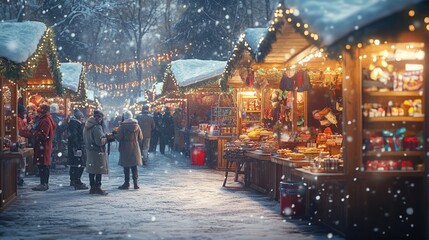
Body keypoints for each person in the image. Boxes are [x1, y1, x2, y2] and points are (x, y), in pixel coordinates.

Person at [29, 103, 56, 191]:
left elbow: (44, 135)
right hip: (45, 146)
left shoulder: (45, 120)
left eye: (39, 110)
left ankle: (43, 183)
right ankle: (44, 183)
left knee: (43, 165)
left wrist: (33, 132)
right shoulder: (47, 118)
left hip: (43, 146)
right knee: (44, 165)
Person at [83, 110, 108, 195]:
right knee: (98, 169)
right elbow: (99, 141)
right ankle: (98, 187)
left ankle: (92, 187)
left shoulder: (87, 125)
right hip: (97, 151)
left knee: (91, 170)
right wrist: (106, 139)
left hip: (90, 150)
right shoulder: (97, 127)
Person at [116, 111, 143, 189]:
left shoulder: (122, 126)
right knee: (134, 166)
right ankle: (135, 183)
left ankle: (126, 183)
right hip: (135, 147)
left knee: (126, 166)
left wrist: (115, 134)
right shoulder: (137, 125)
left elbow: (119, 137)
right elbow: (141, 137)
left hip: (125, 147)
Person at [67, 109, 88, 190]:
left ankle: (73, 180)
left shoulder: (72, 123)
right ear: (80, 117)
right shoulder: (76, 124)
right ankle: (77, 181)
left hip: (73, 146)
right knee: (79, 164)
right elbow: (75, 136)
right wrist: (77, 147)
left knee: (74, 164)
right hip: (77, 147)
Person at [17, 104, 29, 186]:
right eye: (24, 112)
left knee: (22, 161)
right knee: (21, 162)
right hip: (20, 143)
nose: (25, 114)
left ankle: (20, 178)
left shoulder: (21, 119)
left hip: (22, 142)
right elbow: (20, 131)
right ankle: (19, 178)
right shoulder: (18, 120)